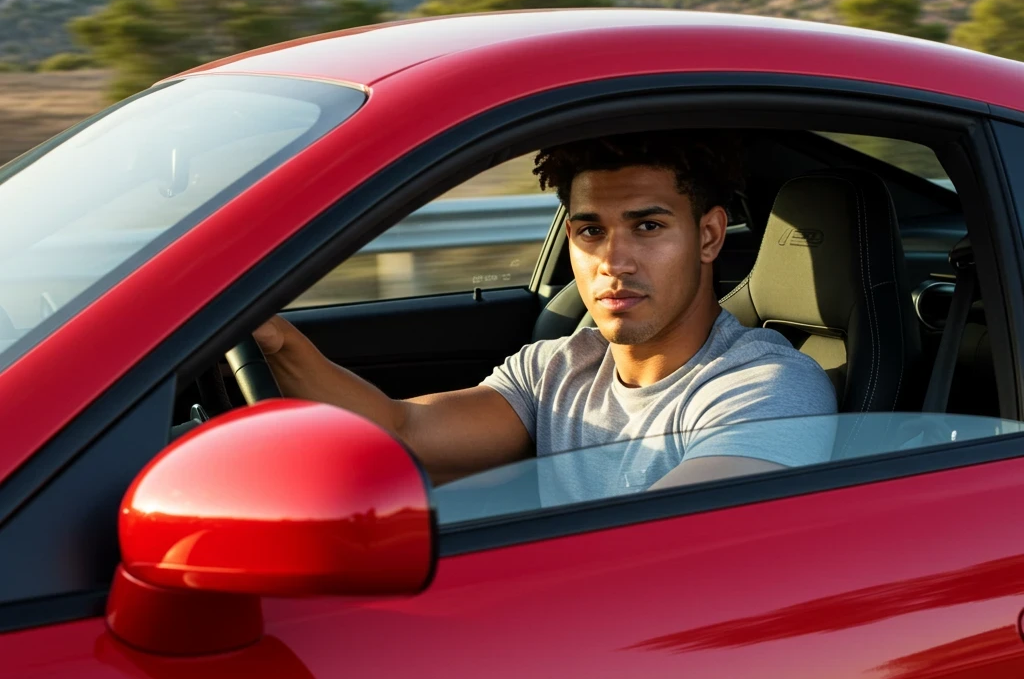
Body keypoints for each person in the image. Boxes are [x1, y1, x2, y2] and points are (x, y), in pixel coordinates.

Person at [253, 130, 837, 498]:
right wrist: (276, 342)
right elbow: (401, 432)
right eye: (591, 231)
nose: (615, 262)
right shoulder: (556, 369)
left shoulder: (765, 388)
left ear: (708, 236)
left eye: (649, 226)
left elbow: (660, 549)